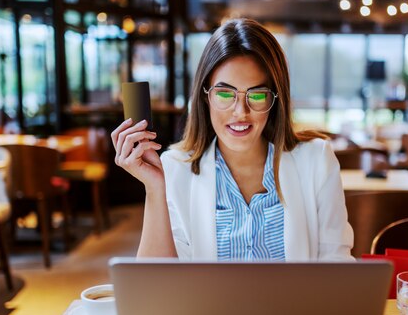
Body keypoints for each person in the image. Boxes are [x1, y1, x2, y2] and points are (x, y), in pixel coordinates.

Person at [111, 18, 354, 261]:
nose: (240, 112)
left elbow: (337, 266)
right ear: (205, 96)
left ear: (276, 99)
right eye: (225, 93)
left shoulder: (316, 160)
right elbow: (157, 284)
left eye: (257, 95)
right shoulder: (175, 167)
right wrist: (154, 189)